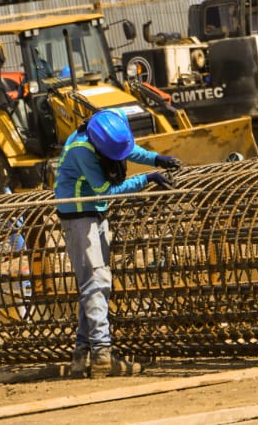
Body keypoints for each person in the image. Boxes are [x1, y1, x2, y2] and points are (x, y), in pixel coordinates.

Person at [54, 108, 182, 378]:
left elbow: (126, 150)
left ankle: (82, 354)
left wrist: (157, 159)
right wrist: (145, 178)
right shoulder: (82, 151)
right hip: (79, 215)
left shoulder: (102, 136)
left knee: (92, 284)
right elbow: (106, 191)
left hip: (92, 212)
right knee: (96, 282)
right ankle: (102, 355)